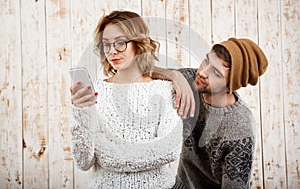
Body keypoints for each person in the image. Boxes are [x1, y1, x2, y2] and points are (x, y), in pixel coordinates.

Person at [69, 10, 183, 189]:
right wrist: (80, 113)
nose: (112, 51)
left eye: (120, 43)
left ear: (139, 43)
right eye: (106, 44)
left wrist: (109, 155)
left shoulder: (164, 89)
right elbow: (84, 161)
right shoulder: (94, 92)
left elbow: (169, 150)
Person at [152, 37, 268, 189]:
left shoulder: (240, 128)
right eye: (206, 61)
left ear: (228, 88)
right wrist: (175, 76)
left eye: (216, 73)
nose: (203, 72)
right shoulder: (193, 81)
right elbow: (145, 71)